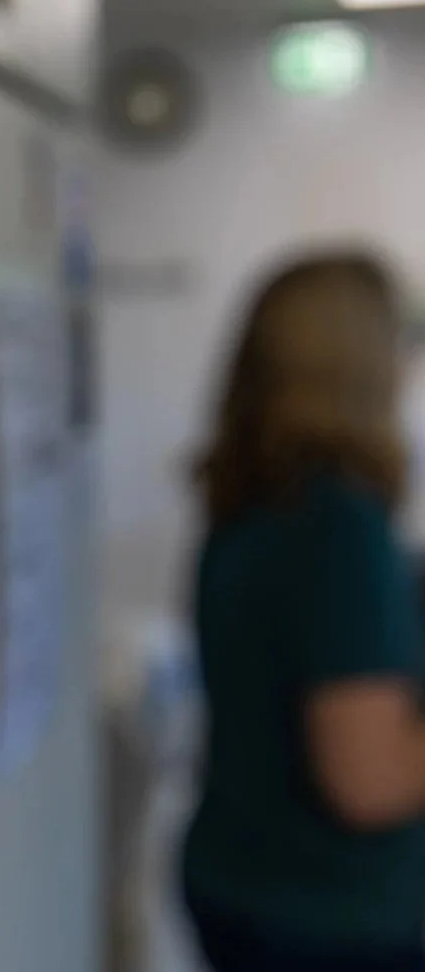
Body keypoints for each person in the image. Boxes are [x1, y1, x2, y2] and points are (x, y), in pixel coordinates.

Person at [183, 250, 425, 971]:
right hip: (329, 920)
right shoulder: (338, 525)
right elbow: (369, 782)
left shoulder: (250, 502)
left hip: (239, 881)